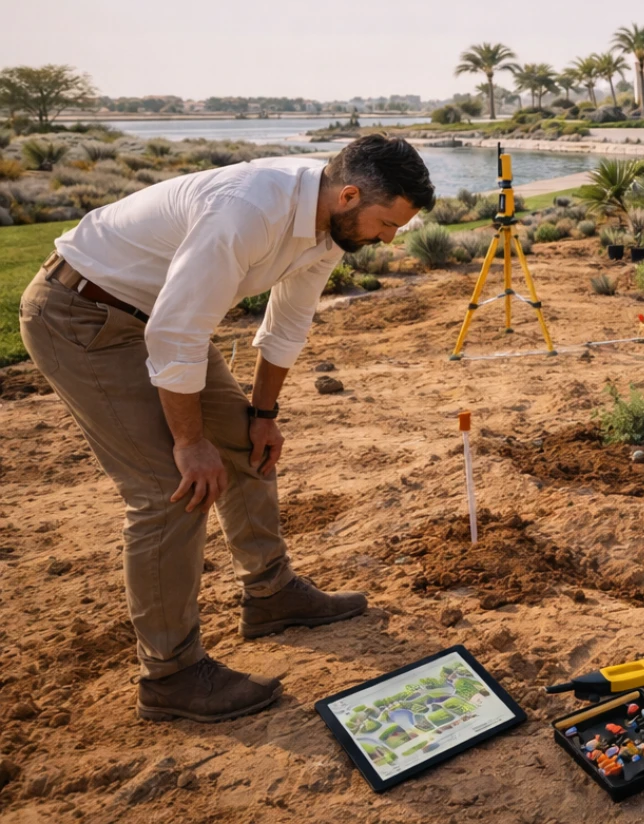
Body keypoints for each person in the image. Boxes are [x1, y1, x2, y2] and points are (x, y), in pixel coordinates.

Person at [18, 133, 435, 723]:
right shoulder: (247, 209)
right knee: (171, 487)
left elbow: (287, 322)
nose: (388, 239)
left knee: (242, 441)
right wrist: (189, 443)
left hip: (156, 313)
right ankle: (171, 674)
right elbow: (175, 335)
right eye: (387, 223)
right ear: (347, 194)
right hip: (81, 314)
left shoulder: (329, 227)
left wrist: (264, 416)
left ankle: (270, 594)